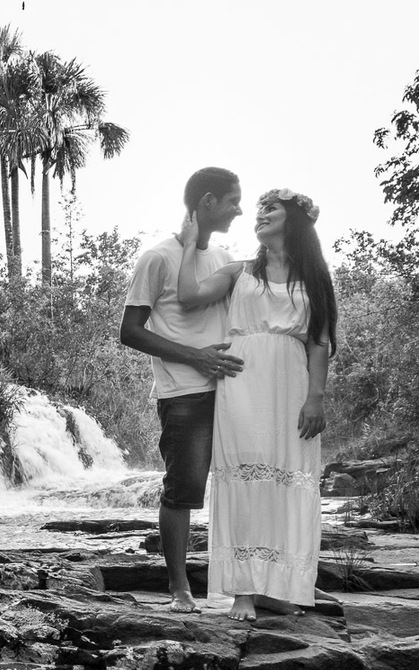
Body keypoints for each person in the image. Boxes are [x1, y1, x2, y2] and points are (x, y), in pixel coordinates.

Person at [177, 188, 337, 621]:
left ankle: (279, 587)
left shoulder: (315, 278)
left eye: (271, 208)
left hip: (292, 386)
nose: (260, 214)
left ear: (296, 220)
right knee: (244, 482)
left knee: (289, 481)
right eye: (260, 209)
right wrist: (192, 241)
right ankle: (243, 590)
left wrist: (316, 398)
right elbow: (188, 295)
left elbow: (319, 342)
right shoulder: (239, 272)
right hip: (242, 384)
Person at [120, 167, 244, 614]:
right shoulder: (157, 257)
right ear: (207, 201)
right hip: (183, 393)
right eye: (233, 200)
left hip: (231, 390)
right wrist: (195, 357)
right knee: (183, 489)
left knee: (239, 484)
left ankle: (249, 582)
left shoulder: (224, 256)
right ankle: (179, 588)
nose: (239, 209)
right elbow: (130, 331)